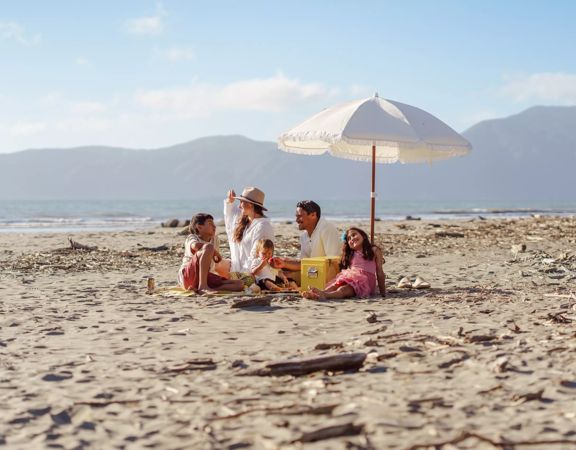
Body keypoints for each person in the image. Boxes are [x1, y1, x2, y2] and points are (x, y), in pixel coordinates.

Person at [302, 227, 386, 300]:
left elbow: (380, 272)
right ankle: (319, 293)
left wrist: (383, 292)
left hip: (365, 282)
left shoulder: (374, 250)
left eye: (354, 235)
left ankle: (326, 295)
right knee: (335, 285)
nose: (352, 239)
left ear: (363, 236)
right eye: (349, 239)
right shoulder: (351, 254)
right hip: (351, 277)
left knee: (344, 289)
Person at [270, 200, 341, 282]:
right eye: (296, 216)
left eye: (299, 216)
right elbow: (303, 263)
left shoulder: (327, 229)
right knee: (275, 273)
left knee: (284, 277)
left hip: (328, 276)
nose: (296, 220)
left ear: (313, 215)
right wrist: (284, 263)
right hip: (313, 272)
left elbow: (334, 260)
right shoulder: (304, 236)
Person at [178, 213, 244, 294]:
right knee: (208, 247)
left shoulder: (215, 240)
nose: (214, 226)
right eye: (210, 224)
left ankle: (203, 289)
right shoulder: (192, 237)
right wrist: (214, 251)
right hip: (188, 276)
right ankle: (203, 287)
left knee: (239, 284)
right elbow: (195, 246)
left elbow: (214, 264)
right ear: (199, 227)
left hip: (205, 276)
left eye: (214, 224)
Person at [223, 187, 274, 276]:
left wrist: (242, 275)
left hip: (254, 274)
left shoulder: (262, 226)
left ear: (250, 205)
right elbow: (230, 216)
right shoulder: (246, 221)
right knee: (214, 264)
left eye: (241, 202)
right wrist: (229, 202)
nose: (239, 206)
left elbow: (254, 256)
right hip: (239, 268)